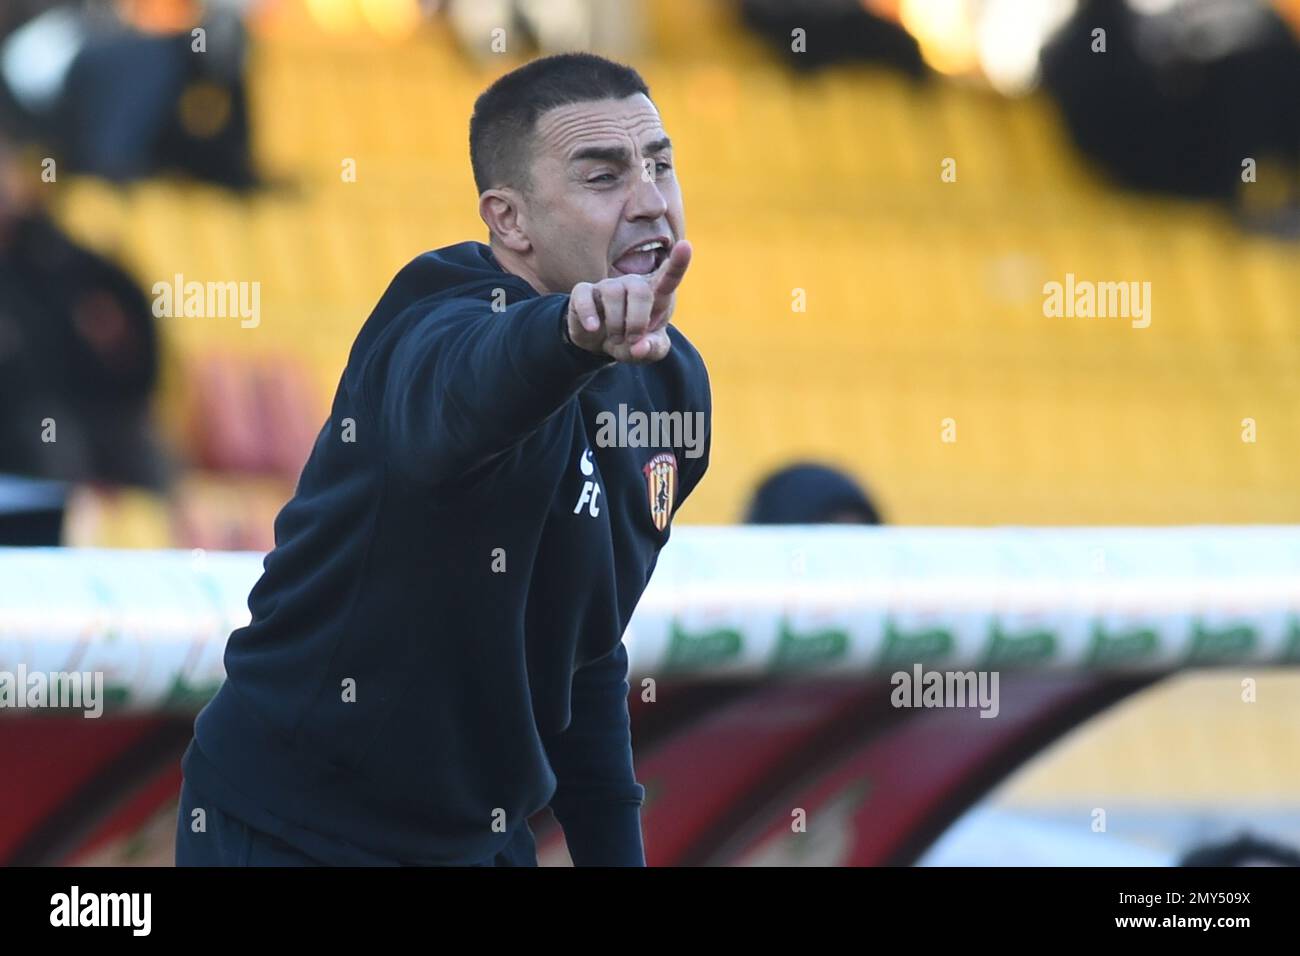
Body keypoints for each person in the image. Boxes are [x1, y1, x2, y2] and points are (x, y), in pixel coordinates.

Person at [175, 52, 710, 866]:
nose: (649, 201)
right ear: (510, 221)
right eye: (603, 177)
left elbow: (584, 651)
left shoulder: (672, 389)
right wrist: (569, 336)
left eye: (660, 165)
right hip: (290, 826)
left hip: (477, 838)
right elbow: (458, 404)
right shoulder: (432, 317)